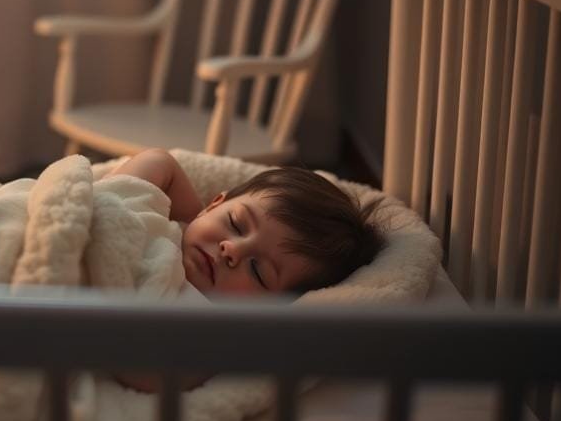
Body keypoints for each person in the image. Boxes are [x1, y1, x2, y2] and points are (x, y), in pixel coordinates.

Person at [107, 148, 385, 390]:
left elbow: (153, 372)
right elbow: (156, 163)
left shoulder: (206, 325)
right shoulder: (167, 223)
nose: (232, 250)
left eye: (257, 270)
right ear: (214, 203)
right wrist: (193, 217)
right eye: (236, 223)